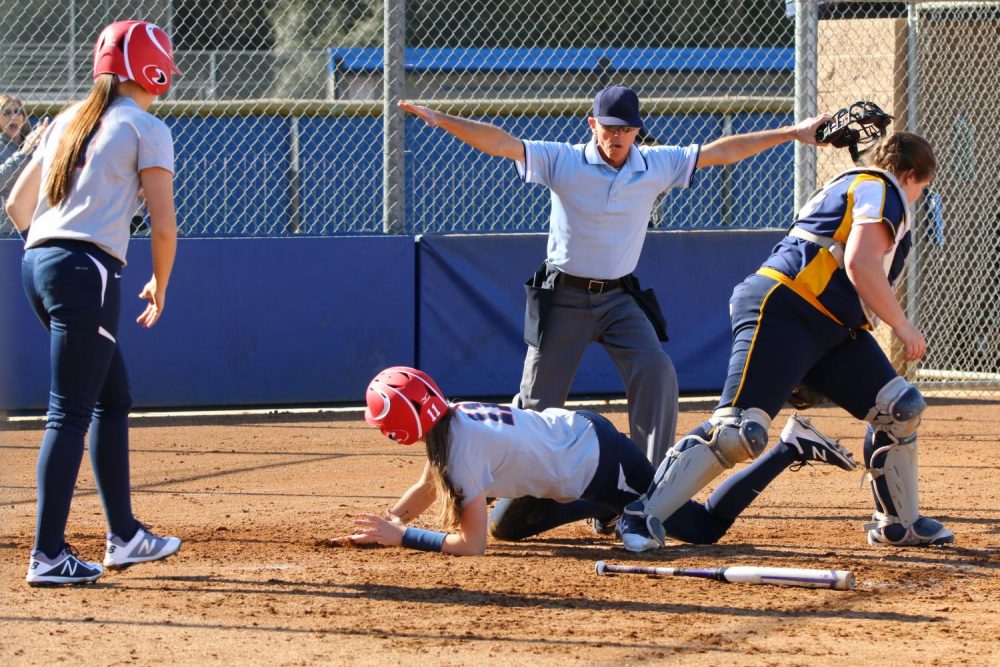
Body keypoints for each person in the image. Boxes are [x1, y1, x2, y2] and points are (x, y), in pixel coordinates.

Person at [398, 88, 828, 479]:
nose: (617, 135)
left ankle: (648, 481)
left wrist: (794, 132)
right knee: (536, 405)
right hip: (563, 296)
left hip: (619, 299)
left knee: (657, 371)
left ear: (637, 130)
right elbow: (502, 143)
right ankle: (502, 478)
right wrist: (444, 119)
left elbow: (723, 151)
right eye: (609, 127)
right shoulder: (563, 159)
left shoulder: (656, 163)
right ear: (593, 125)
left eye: (626, 128)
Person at [618, 128, 955, 552]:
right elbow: (861, 263)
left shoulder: (853, 183)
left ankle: (899, 524)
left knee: (899, 408)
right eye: (922, 187)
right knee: (738, 432)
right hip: (787, 307)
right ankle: (641, 515)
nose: (919, 197)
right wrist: (903, 326)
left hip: (833, 323)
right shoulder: (883, 188)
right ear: (908, 175)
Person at [7, 20, 183, 586]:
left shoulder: (68, 118)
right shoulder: (146, 127)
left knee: (112, 395)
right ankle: (47, 555)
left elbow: (17, 207)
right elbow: (163, 226)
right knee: (70, 411)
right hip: (87, 270)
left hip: (39, 263)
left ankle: (125, 536)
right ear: (152, 71)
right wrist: (159, 282)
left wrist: (59, 248)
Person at [339, 367, 857, 555]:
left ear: (399, 427)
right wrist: (391, 519)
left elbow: (469, 547)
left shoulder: (459, 448)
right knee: (507, 526)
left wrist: (404, 536)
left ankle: (790, 445)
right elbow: (431, 484)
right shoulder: (452, 419)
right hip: (575, 444)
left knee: (702, 529)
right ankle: (613, 508)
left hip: (601, 460)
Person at [0, 94, 49, 234]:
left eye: (18, 112)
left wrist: (43, 146)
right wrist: (23, 154)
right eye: (6, 113)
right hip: (5, 231)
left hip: (35, 227)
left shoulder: (32, 144)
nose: (14, 117)